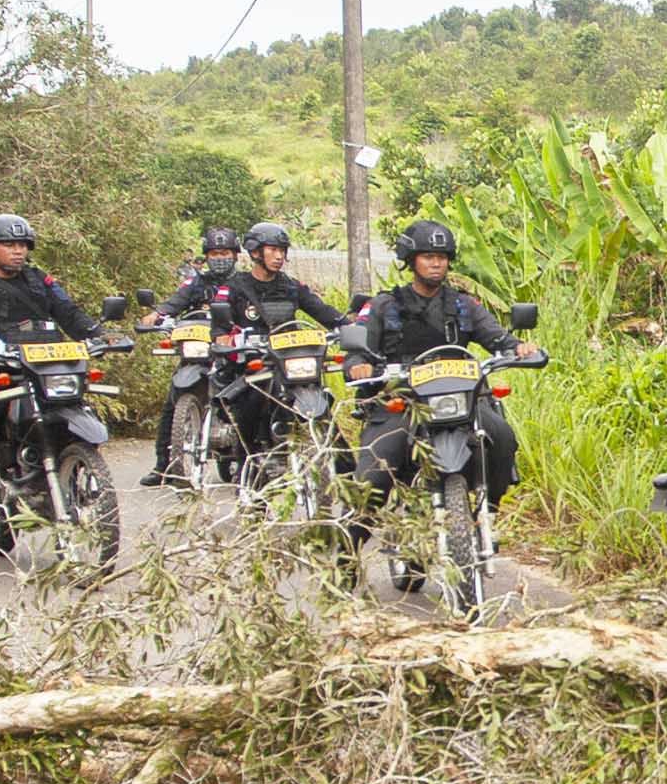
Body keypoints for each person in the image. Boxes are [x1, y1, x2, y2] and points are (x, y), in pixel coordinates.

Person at [345, 218, 540, 561]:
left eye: (442, 257)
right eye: (428, 257)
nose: (436, 263)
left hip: (461, 400)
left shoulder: (464, 305)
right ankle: (348, 554)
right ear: (411, 261)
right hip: (403, 402)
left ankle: (487, 510)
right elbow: (357, 348)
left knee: (501, 437)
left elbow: (497, 338)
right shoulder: (383, 305)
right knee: (373, 476)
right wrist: (358, 363)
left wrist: (519, 348)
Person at [0, 212, 97, 576]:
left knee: (80, 415)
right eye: (9, 244)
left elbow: (69, 312)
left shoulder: (41, 281)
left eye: (23, 244)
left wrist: (97, 333)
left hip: (45, 371)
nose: (18, 251)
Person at [200, 220, 347, 463]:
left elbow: (323, 312)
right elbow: (220, 326)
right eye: (273, 250)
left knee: (324, 402)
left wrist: (348, 327)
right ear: (256, 252)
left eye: (282, 251)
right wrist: (223, 338)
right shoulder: (234, 288)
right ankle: (247, 462)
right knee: (249, 403)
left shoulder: (291, 287)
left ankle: (343, 468)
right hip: (254, 364)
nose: (279, 256)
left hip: (290, 363)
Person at [140, 225, 246, 486]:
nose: (220, 258)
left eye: (225, 253)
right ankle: (163, 466)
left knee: (249, 396)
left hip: (232, 352)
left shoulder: (244, 284)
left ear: (235, 255)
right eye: (214, 253)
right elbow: (174, 303)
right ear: (206, 256)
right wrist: (157, 315)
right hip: (197, 351)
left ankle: (250, 461)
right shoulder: (196, 283)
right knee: (171, 402)